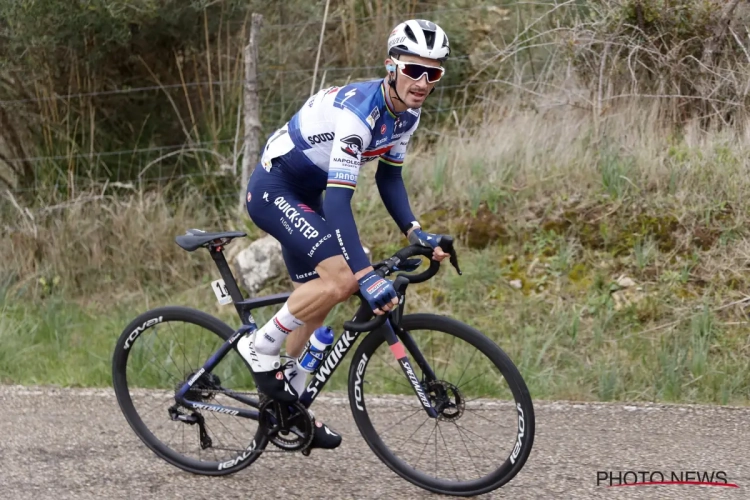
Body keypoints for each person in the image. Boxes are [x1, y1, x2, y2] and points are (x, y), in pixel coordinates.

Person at [238, 19, 452, 451]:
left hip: (309, 194)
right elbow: (338, 204)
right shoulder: (360, 115)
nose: (423, 81)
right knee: (345, 277)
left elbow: (390, 179)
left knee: (320, 294)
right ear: (391, 66)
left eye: (434, 73)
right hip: (274, 188)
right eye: (414, 69)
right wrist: (365, 274)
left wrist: (416, 231)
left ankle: (288, 403)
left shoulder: (407, 113)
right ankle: (258, 346)